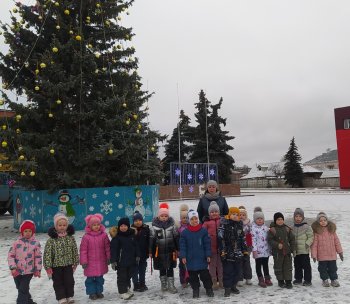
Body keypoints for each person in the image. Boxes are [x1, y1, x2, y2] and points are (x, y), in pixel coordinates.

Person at [44, 213, 79, 304]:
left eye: (64, 225)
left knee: (69, 281)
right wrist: (48, 266)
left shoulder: (70, 238)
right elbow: (47, 254)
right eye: (60, 225)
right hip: (56, 266)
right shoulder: (51, 240)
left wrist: (75, 262)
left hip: (68, 264)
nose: (62, 227)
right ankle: (61, 297)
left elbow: (74, 250)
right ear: (56, 226)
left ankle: (69, 296)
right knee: (58, 282)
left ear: (67, 226)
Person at [180, 209, 213, 298]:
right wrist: (183, 256)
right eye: (192, 219)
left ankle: (209, 289)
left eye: (196, 219)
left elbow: (207, 244)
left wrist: (208, 255)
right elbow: (183, 246)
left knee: (205, 276)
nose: (194, 221)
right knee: (193, 277)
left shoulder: (203, 231)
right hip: (190, 259)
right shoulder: (185, 233)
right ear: (189, 220)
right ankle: (196, 289)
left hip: (202, 258)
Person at [7, 220, 42, 304]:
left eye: (30, 231)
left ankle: (21, 302)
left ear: (32, 232)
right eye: (25, 231)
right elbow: (10, 256)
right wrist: (13, 267)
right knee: (20, 287)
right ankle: (29, 301)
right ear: (22, 232)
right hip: (17, 270)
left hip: (29, 271)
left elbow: (38, 257)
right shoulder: (16, 243)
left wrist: (38, 269)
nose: (27, 233)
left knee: (23, 288)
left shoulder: (35, 243)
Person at [149, 202, 179, 293]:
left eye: (166, 216)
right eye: (162, 216)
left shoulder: (172, 226)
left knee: (170, 268)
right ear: (159, 216)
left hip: (171, 252)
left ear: (168, 217)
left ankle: (171, 284)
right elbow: (151, 240)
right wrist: (150, 251)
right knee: (162, 268)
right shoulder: (154, 228)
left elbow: (176, 237)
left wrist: (178, 249)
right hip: (159, 252)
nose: (164, 218)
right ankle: (163, 284)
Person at [80, 213, 110, 300]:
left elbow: (107, 247)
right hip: (90, 263)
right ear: (90, 226)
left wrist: (108, 257)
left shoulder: (104, 235)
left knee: (100, 278)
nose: (96, 226)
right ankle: (92, 292)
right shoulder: (86, 237)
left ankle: (99, 291)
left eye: (98, 224)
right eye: (94, 225)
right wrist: (83, 261)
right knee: (90, 279)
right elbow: (83, 250)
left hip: (101, 261)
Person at [218, 207, 247, 297]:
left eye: (237, 215)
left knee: (237, 271)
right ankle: (227, 288)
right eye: (233, 214)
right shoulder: (224, 224)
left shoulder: (239, 225)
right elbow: (220, 239)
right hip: (227, 253)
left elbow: (243, 239)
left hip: (238, 253)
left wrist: (245, 251)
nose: (235, 216)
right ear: (229, 215)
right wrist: (223, 251)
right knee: (228, 271)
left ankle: (233, 286)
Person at [110, 217, 140, 300]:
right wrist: (113, 261)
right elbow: (113, 250)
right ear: (119, 227)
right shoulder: (116, 238)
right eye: (121, 226)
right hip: (121, 262)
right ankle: (122, 292)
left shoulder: (132, 235)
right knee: (122, 277)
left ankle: (127, 289)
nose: (123, 227)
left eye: (125, 226)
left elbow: (136, 246)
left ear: (128, 226)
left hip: (131, 261)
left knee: (128, 276)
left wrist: (137, 255)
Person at [311, 212, 343, 287]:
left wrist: (340, 252)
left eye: (324, 220)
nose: (323, 222)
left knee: (333, 268)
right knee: (322, 269)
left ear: (327, 221)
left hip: (332, 255)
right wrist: (314, 255)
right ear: (318, 222)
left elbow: (337, 242)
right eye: (321, 221)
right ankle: (325, 280)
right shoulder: (317, 233)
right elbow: (314, 245)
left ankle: (333, 280)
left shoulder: (332, 231)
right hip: (322, 256)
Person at [267, 212, 295, 289]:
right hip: (277, 253)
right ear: (275, 220)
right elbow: (270, 240)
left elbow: (292, 239)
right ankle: (281, 281)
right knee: (278, 267)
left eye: (281, 219)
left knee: (288, 267)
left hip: (287, 252)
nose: (280, 221)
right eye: (278, 219)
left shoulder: (287, 229)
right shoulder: (272, 230)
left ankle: (288, 281)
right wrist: (277, 244)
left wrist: (292, 249)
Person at [202, 201, 223, 289]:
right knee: (212, 266)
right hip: (211, 249)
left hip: (221, 248)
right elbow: (202, 234)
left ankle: (221, 281)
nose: (214, 213)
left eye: (216, 211)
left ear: (219, 212)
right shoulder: (206, 223)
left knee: (221, 265)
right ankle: (213, 281)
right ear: (209, 213)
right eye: (212, 212)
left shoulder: (222, 221)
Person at [251, 207, 272, 288]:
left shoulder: (265, 228)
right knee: (258, 265)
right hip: (258, 251)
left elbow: (268, 237)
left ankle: (267, 278)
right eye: (258, 219)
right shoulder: (253, 229)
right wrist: (254, 250)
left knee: (266, 265)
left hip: (265, 251)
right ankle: (260, 279)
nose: (260, 220)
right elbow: (253, 240)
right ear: (255, 220)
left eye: (261, 219)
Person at [293, 208, 313, 286]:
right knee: (297, 265)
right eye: (296, 216)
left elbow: (311, 236)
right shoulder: (292, 227)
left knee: (306, 266)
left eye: (300, 216)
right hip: (296, 250)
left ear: (303, 217)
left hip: (304, 250)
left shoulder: (307, 227)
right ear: (294, 217)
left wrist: (307, 243)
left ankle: (308, 280)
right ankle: (298, 279)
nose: (298, 218)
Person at [131, 211, 150, 292]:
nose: (137, 222)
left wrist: (149, 251)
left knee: (142, 269)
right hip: (133, 255)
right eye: (135, 220)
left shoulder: (146, 229)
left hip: (143, 254)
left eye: (139, 220)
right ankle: (136, 284)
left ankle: (142, 283)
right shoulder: (130, 231)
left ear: (142, 220)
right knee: (134, 270)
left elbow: (149, 241)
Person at [237, 206, 253, 286]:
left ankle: (248, 277)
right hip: (238, 247)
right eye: (240, 215)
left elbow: (251, 236)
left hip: (246, 246)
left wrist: (250, 247)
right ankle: (240, 278)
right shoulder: (236, 224)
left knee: (246, 262)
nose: (241, 216)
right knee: (239, 262)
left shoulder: (249, 224)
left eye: (243, 215)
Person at [177, 204, 189, 288]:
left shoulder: (191, 226)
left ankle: (190, 279)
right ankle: (183, 281)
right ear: (181, 219)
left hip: (190, 250)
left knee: (190, 266)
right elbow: (177, 240)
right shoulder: (179, 228)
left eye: (186, 218)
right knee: (182, 266)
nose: (185, 219)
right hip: (182, 250)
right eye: (183, 218)